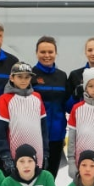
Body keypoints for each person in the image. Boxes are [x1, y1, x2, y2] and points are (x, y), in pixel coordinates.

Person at [0, 62, 48, 171]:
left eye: (27, 77)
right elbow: (0, 131)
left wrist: (46, 151)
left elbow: (44, 128)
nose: (23, 80)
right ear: (12, 78)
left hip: (37, 153)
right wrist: (5, 155)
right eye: (19, 77)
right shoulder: (5, 99)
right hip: (15, 154)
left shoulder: (37, 97)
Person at [32, 36, 71, 176]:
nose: (47, 55)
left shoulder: (62, 76)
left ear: (56, 53)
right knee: (35, 175)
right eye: (43, 52)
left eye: (50, 52)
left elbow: (67, 105)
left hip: (56, 136)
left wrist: (77, 95)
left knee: (51, 175)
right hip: (34, 135)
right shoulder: (30, 75)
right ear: (36, 53)